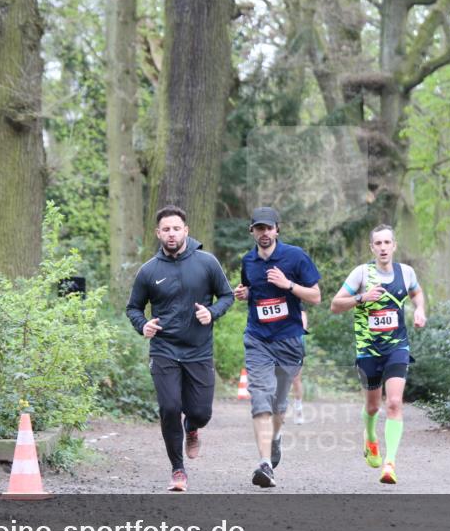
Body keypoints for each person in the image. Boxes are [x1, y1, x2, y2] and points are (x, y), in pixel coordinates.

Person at [126, 205, 234, 492]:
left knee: (201, 412)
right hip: (164, 349)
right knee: (170, 407)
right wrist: (144, 325)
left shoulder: (207, 262)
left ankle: (193, 428)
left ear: (186, 230)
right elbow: (134, 308)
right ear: (158, 233)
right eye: (166, 229)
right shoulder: (149, 270)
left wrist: (211, 313)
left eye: (176, 228)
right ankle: (178, 469)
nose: (171, 234)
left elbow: (226, 295)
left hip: (199, 349)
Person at [329, 224, 426, 484]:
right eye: (378, 244)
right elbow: (335, 305)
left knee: (394, 403)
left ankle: (390, 463)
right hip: (368, 350)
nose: (383, 248)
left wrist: (420, 310)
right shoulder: (361, 273)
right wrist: (362, 298)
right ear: (372, 248)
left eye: (387, 243)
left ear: (394, 245)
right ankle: (370, 437)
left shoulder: (405, 273)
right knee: (372, 406)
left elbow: (416, 292)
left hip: (397, 347)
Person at [234, 206, 321, 488]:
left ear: (277, 230)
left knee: (278, 405)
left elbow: (316, 297)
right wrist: (243, 293)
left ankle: (275, 439)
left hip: (289, 340)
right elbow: (251, 292)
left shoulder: (295, 256)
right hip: (258, 338)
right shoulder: (248, 261)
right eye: (259, 228)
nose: (264, 233)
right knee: (260, 396)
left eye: (269, 228)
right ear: (252, 232)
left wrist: (289, 284)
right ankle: (264, 464)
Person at [290, 308, 308, 425]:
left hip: (295, 343)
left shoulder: (298, 304)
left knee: (295, 379)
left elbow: (303, 327)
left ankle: (299, 409)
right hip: (276, 342)